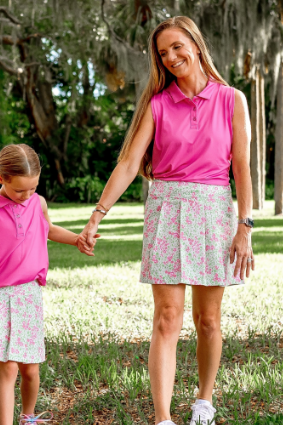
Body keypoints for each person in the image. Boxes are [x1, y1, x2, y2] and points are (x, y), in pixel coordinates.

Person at [80, 16, 254, 425]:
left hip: (214, 210)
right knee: (166, 317)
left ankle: (204, 401)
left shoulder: (232, 99)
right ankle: (162, 418)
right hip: (166, 208)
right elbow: (127, 164)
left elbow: (243, 169)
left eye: (177, 47)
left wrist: (244, 226)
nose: (172, 57)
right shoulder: (158, 104)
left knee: (208, 319)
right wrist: (96, 215)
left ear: (195, 44)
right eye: (163, 53)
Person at [0, 144, 98, 425]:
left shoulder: (37, 203)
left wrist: (76, 238)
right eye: (20, 191)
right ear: (2, 179)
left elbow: (48, 229)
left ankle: (28, 417)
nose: (26, 195)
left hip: (28, 295)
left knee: (31, 370)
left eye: (32, 188)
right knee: (9, 369)